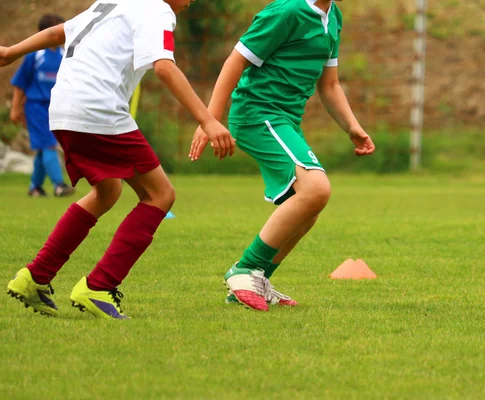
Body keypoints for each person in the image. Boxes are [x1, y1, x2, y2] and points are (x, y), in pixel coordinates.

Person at [2, 0, 235, 319]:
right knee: (160, 195)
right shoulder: (158, 9)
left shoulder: (113, 2)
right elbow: (164, 67)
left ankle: (35, 276)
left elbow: (59, 32)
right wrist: (208, 120)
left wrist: (10, 51)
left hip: (63, 109)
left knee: (107, 191)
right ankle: (98, 287)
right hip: (97, 109)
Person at [190, 0, 375, 311]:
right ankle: (245, 270)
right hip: (258, 113)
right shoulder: (286, 11)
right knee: (316, 188)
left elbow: (329, 84)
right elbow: (235, 61)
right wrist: (211, 119)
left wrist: (352, 127)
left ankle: (256, 280)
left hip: (285, 119)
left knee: (307, 206)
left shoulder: (333, 17)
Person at [10, 14, 74, 197]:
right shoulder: (34, 56)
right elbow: (20, 83)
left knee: (42, 147)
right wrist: (16, 108)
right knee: (48, 145)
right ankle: (59, 184)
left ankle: (35, 187)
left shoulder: (64, 55)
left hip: (57, 107)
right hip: (36, 107)